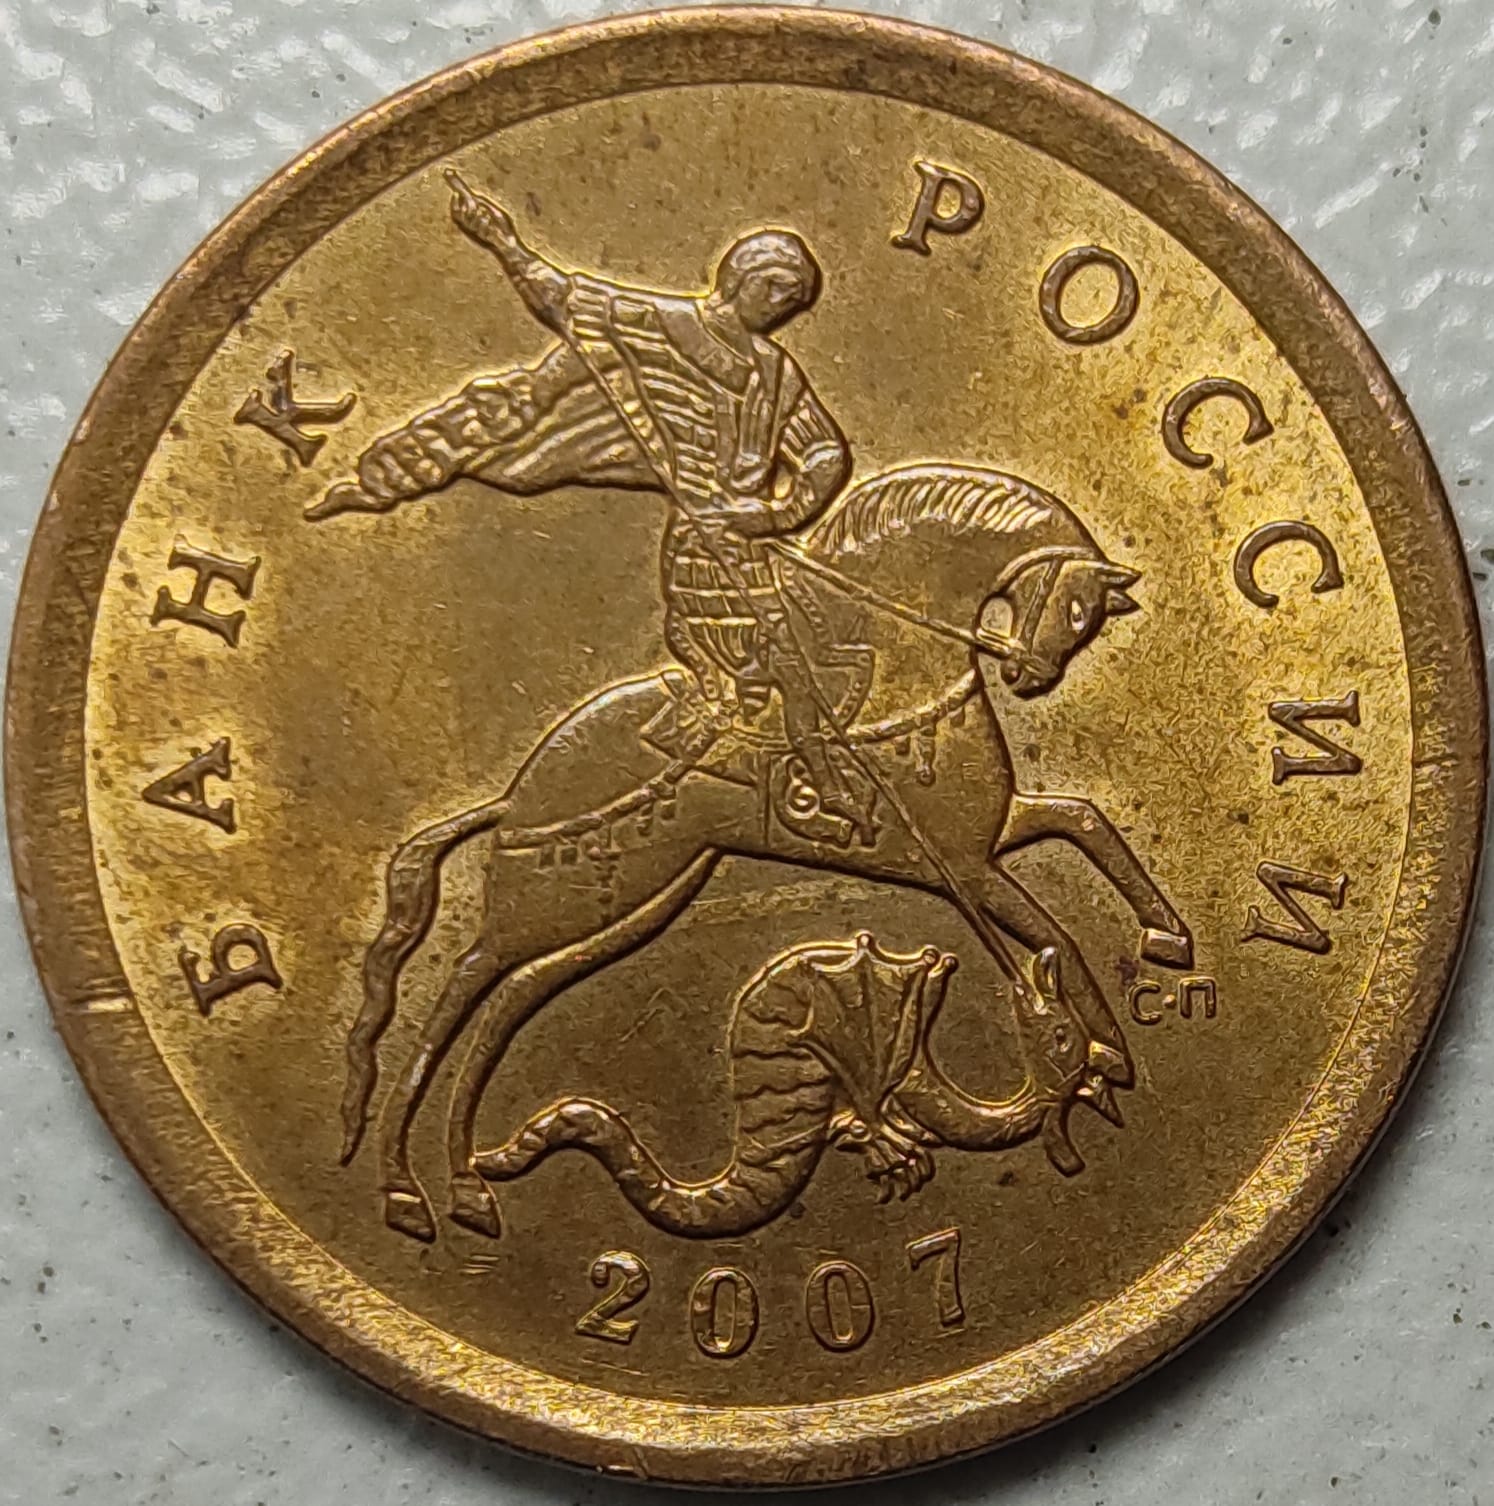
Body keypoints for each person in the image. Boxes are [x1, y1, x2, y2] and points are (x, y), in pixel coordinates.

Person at [316, 173, 873, 839]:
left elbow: (824, 450)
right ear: (739, 278)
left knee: (818, 652)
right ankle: (755, 789)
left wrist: (776, 513)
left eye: (795, 297)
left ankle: (796, 779)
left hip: (754, 542)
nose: (783, 304)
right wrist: (503, 242)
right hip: (701, 546)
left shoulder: (776, 372)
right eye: (776, 286)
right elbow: (562, 297)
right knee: (775, 667)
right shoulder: (661, 325)